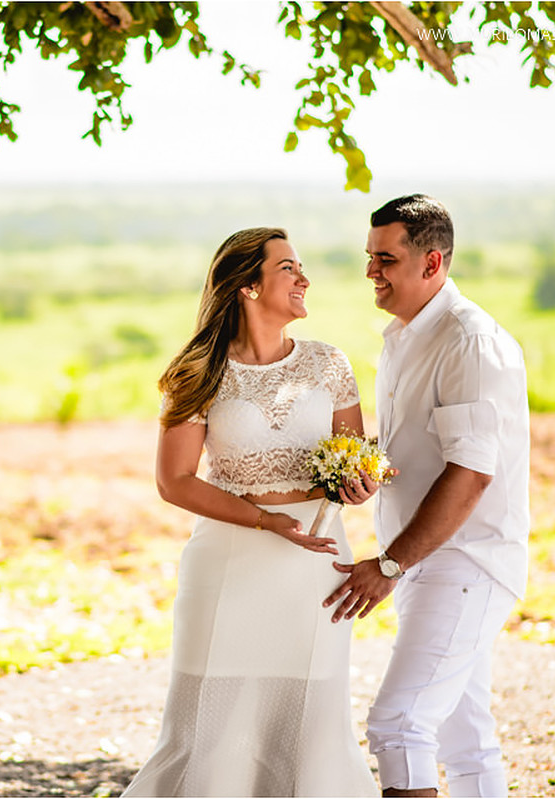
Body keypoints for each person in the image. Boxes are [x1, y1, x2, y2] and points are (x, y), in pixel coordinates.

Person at [122, 227, 379, 797]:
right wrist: (263, 520)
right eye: (288, 268)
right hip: (228, 565)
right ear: (247, 286)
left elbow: (352, 464)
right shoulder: (198, 371)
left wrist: (359, 486)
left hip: (316, 566)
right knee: (207, 723)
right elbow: (174, 480)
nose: (304, 278)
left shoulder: (328, 364)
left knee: (311, 721)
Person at [324, 194, 530, 798]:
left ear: (432, 263)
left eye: (384, 258)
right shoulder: (407, 335)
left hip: (463, 561)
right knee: (468, 740)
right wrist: (365, 469)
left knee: (399, 724)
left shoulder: (468, 341)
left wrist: (390, 564)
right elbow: (418, 447)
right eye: (369, 257)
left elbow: (471, 472)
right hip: (424, 558)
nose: (370, 272)